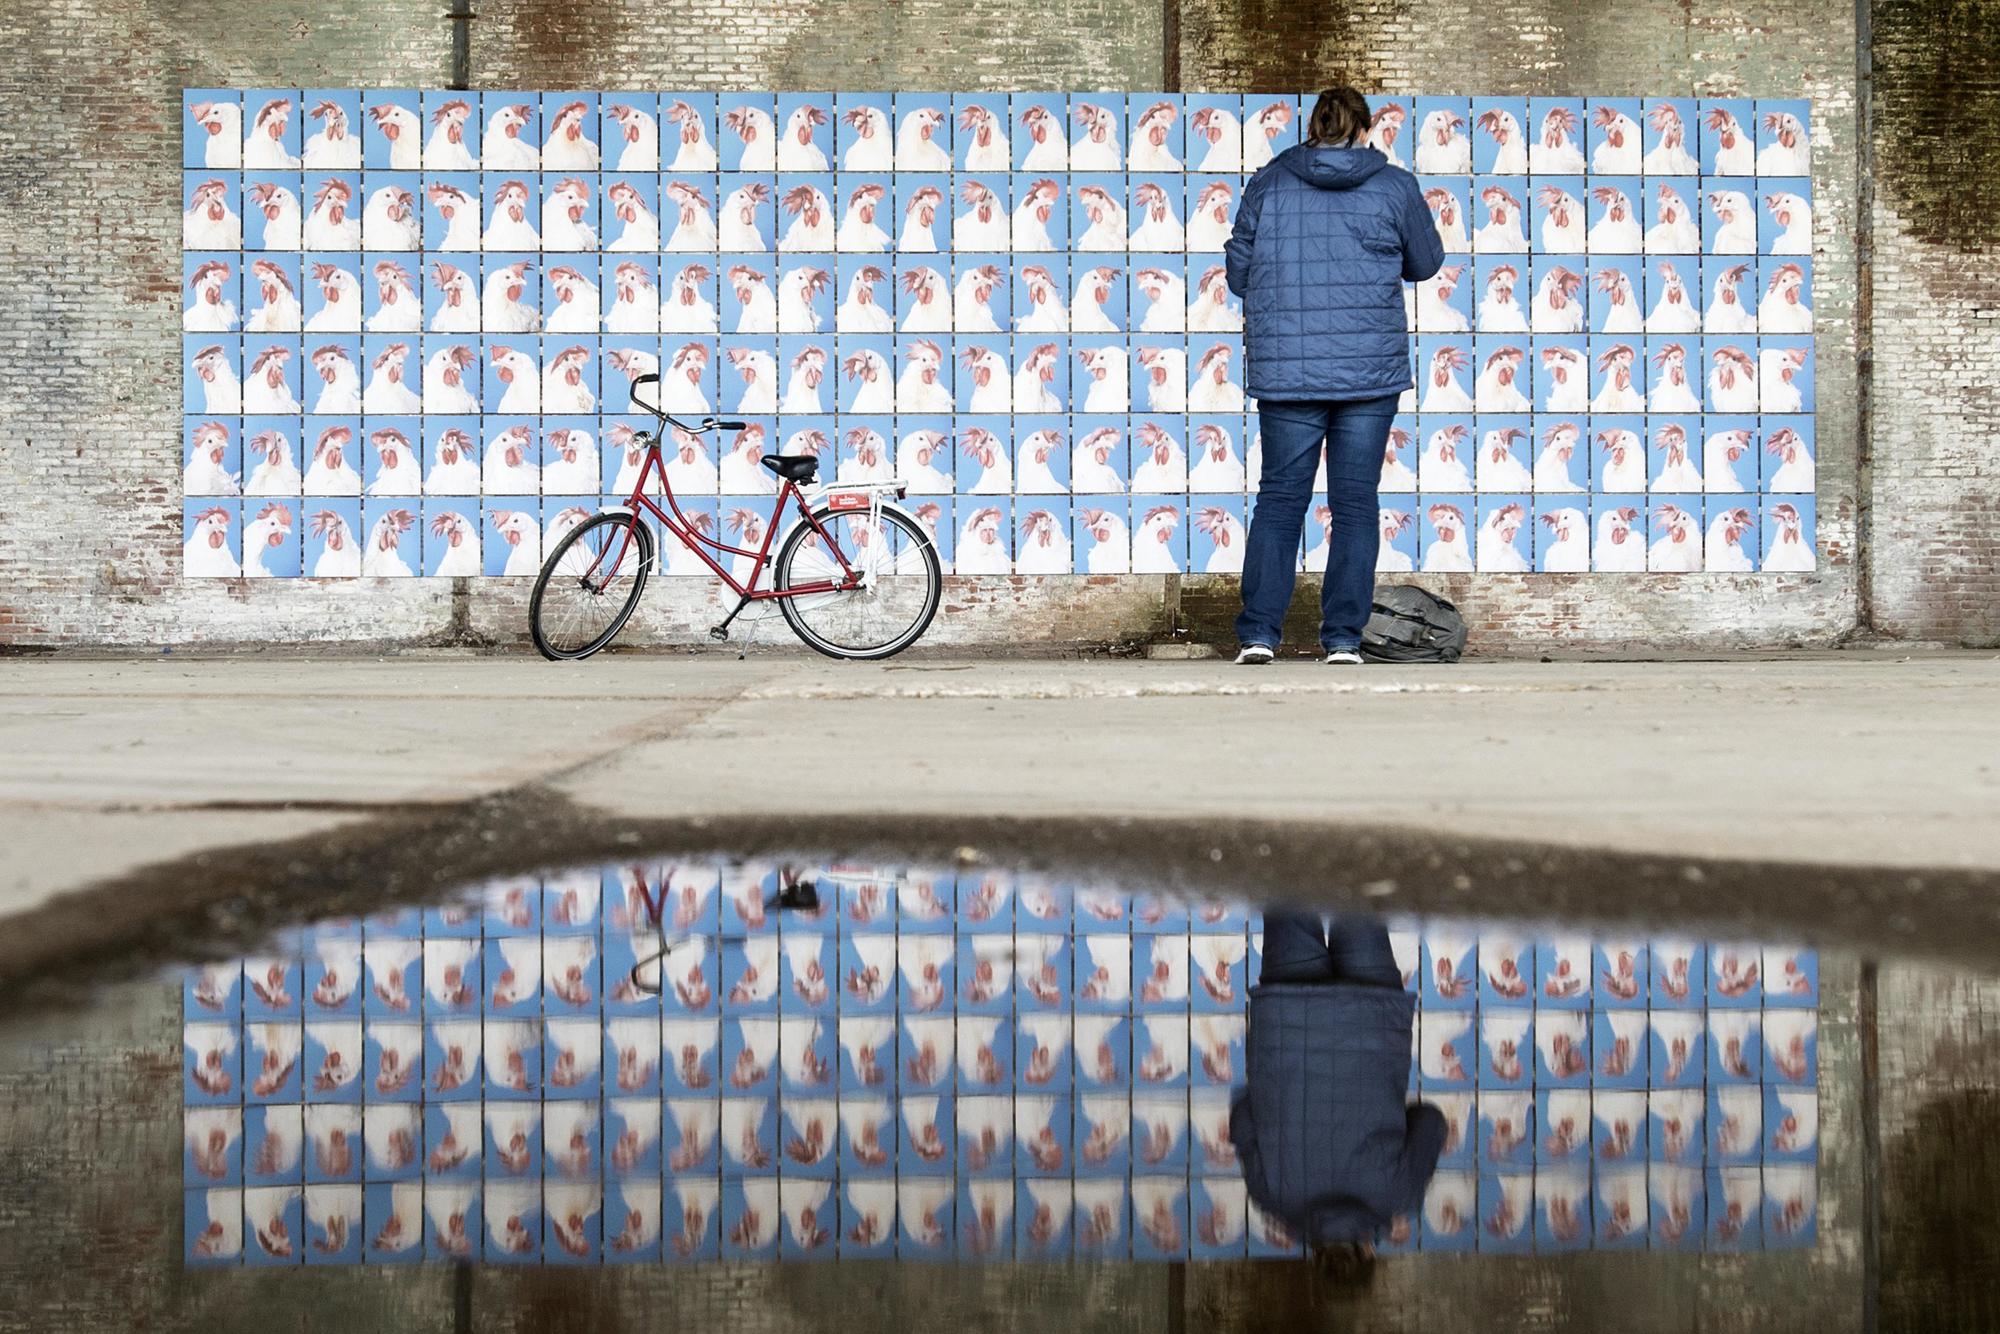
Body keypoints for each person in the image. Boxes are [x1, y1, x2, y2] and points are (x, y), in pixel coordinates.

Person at [1224, 86, 1444, 665]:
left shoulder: (1270, 182)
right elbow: (1425, 263)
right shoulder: (1395, 186)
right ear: (1366, 130)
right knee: (1354, 504)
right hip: (1369, 374)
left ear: (1314, 127)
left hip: (1287, 372)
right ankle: (1344, 639)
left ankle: (1258, 637)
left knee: (1278, 502)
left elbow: (1239, 273)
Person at [1229, 908, 1447, 1261]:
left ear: (1369, 1254)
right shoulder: (1271, 1200)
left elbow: (1430, 1121)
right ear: (1316, 1258)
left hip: (1371, 1018)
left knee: (1357, 894)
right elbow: (1242, 1115)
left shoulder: (1399, 1197)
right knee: (1290, 892)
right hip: (1290, 1014)